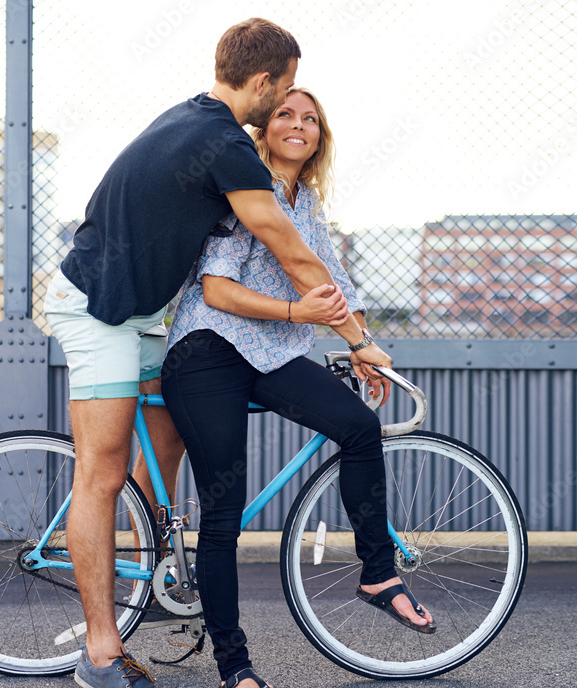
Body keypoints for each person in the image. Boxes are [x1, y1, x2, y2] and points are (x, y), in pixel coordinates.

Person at [43, 19, 388, 688]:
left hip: (144, 312)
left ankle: (153, 572)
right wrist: (356, 339)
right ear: (262, 83)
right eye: (282, 89)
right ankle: (101, 651)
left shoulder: (192, 120)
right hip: (96, 309)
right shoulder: (226, 144)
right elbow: (286, 248)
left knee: (166, 439)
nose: (285, 102)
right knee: (102, 473)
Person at [161, 88, 435, 688]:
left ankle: (378, 574)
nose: (298, 124)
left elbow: (332, 283)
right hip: (208, 349)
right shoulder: (243, 186)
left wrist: (361, 344)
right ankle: (235, 667)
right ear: (264, 127)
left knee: (360, 426)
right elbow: (217, 293)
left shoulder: (305, 202)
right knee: (223, 515)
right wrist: (297, 314)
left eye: (311, 119)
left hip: (271, 352)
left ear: (319, 139)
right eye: (285, 112)